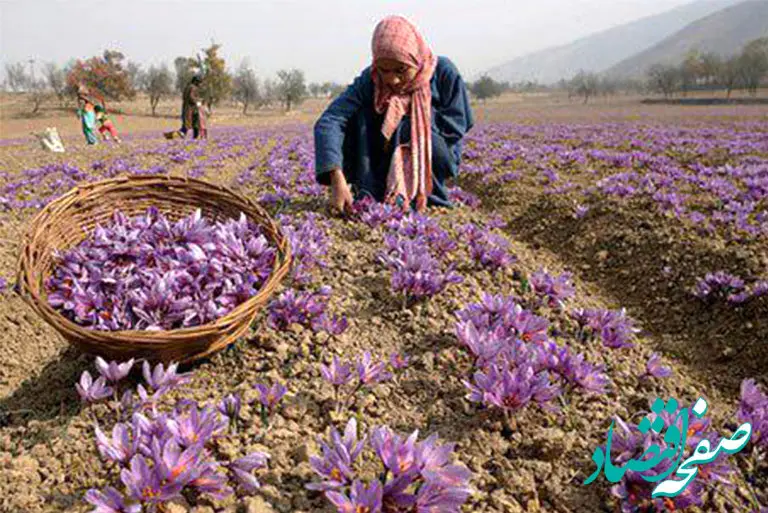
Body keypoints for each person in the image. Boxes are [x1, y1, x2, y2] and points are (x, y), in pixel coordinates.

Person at [314, 15, 474, 215]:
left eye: (401, 69)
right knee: (359, 114)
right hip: (382, 156)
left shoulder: (442, 72)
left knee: (406, 121)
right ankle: (370, 188)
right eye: (384, 70)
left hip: (435, 156)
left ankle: (421, 194)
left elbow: (456, 126)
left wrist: (406, 121)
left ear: (416, 59)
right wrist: (336, 176)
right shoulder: (370, 78)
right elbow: (330, 120)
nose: (393, 80)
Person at [180, 75, 207, 139]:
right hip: (191, 109)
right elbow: (191, 98)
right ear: (195, 81)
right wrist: (199, 102)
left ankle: (193, 140)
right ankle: (172, 137)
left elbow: (185, 97)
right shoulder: (193, 87)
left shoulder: (188, 87)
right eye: (199, 82)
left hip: (187, 108)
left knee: (190, 125)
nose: (200, 84)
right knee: (191, 125)